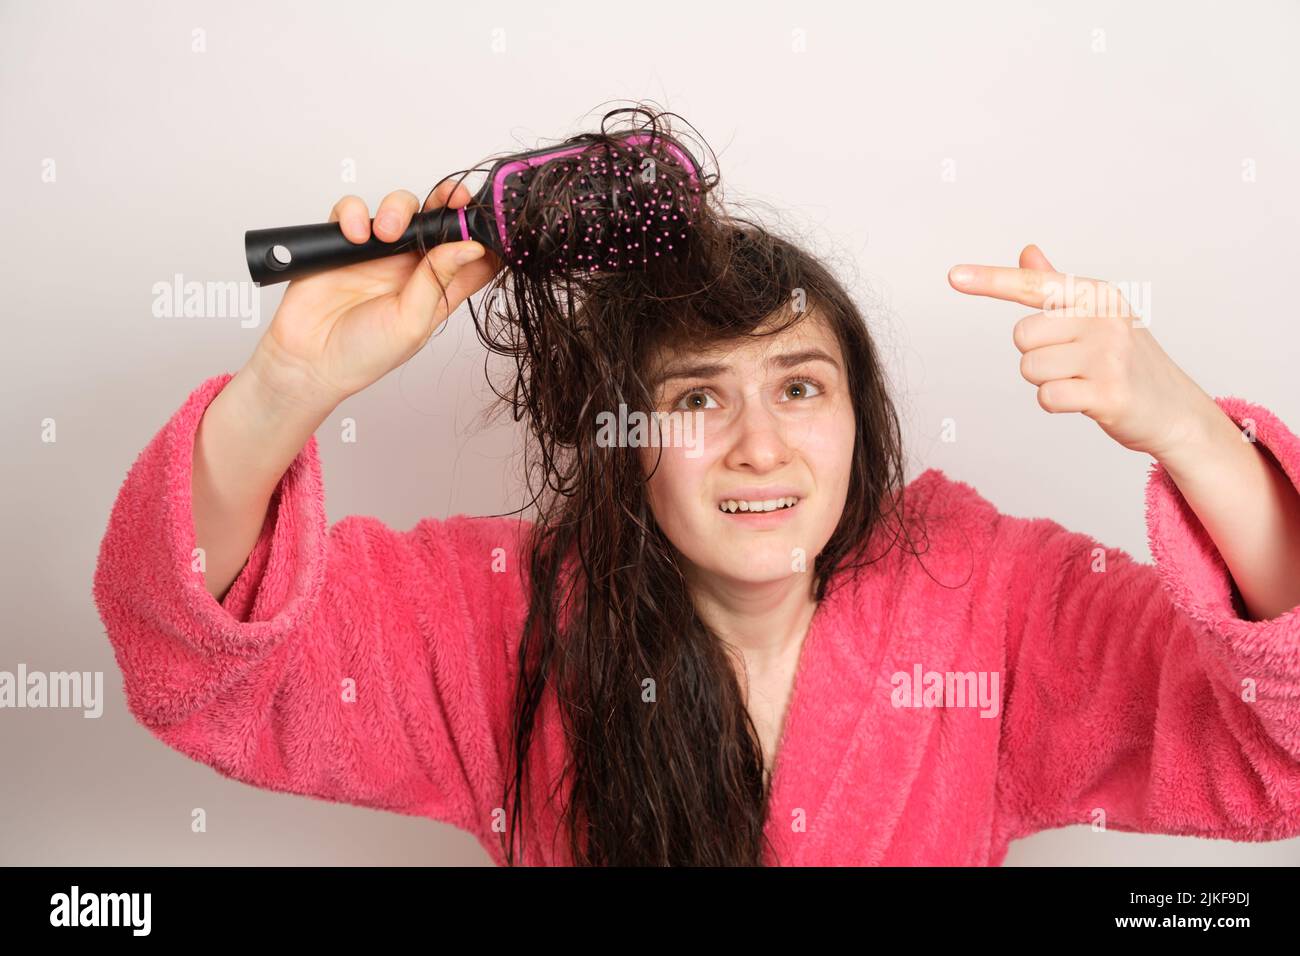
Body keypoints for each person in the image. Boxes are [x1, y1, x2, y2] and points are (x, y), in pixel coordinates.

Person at [93, 178, 1300, 866]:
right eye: (694, 399)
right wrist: (285, 392)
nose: (759, 444)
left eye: (797, 386)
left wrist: (1188, 431)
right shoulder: (498, 616)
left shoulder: (988, 600)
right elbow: (204, 660)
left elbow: (1277, 749)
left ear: (857, 415)